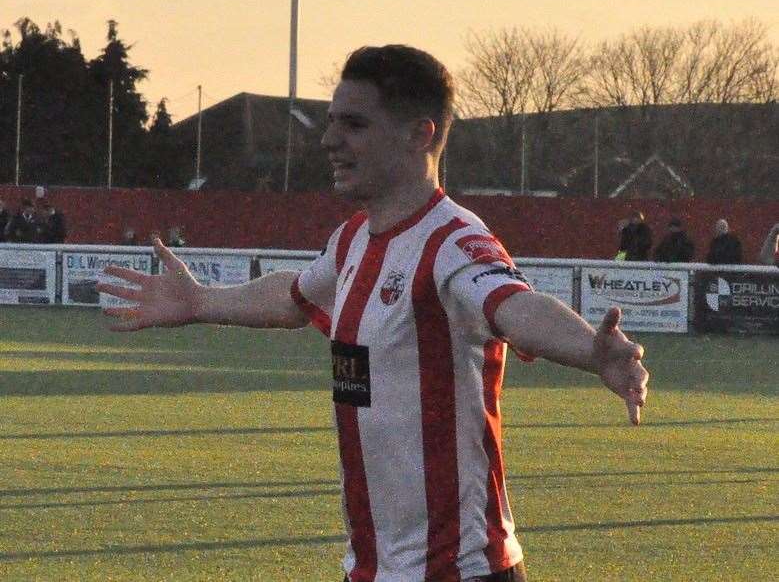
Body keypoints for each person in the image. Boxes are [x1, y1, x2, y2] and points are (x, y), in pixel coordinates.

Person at [98, 45, 648, 582]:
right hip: (372, 568)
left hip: (458, 570)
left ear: (419, 134)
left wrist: (588, 350)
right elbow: (292, 297)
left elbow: (514, 305)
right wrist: (199, 302)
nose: (330, 140)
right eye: (332, 121)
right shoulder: (354, 240)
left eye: (354, 125)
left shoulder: (453, 244)